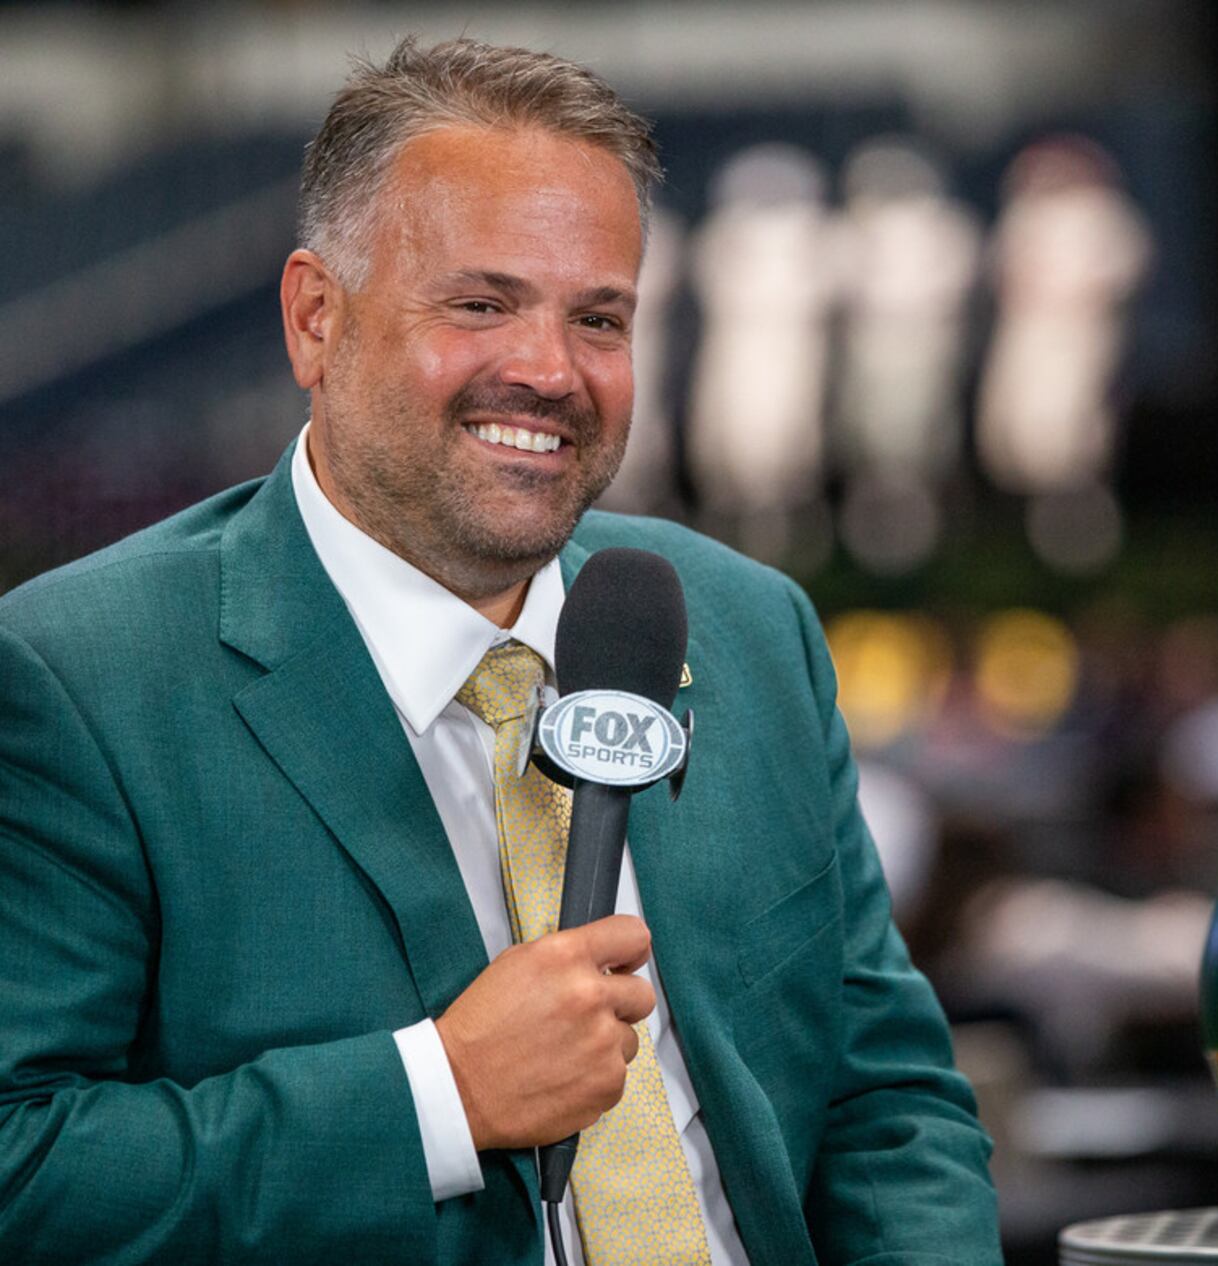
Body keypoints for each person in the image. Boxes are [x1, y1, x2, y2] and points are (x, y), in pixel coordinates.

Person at [0, 37, 1000, 1266]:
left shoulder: (749, 630)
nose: (548, 372)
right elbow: (22, 1165)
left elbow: (884, 1099)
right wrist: (438, 1097)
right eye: (481, 304)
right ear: (317, 320)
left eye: (599, 318)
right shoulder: (77, 675)